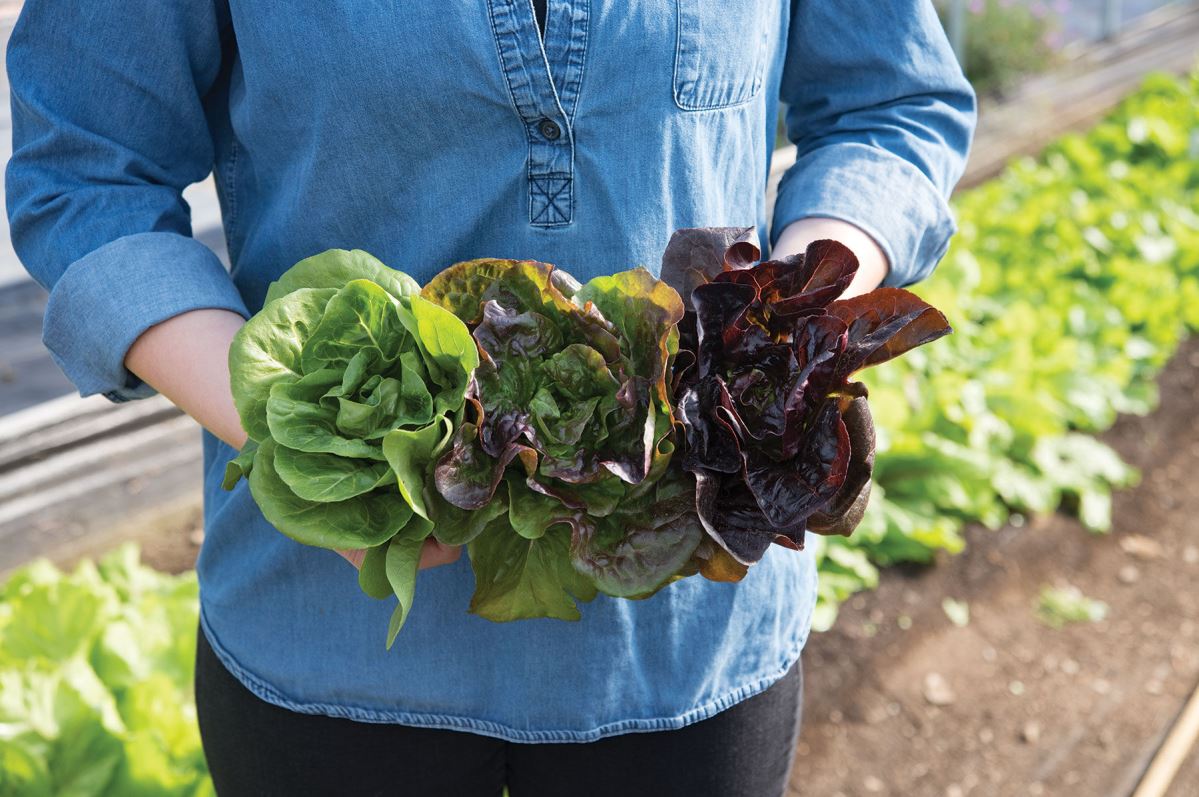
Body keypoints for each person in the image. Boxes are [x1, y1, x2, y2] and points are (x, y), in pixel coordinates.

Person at [6, 1, 974, 794]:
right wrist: (308, 434)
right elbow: (88, 170)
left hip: (682, 648)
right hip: (331, 646)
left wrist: (783, 321)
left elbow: (888, 104)